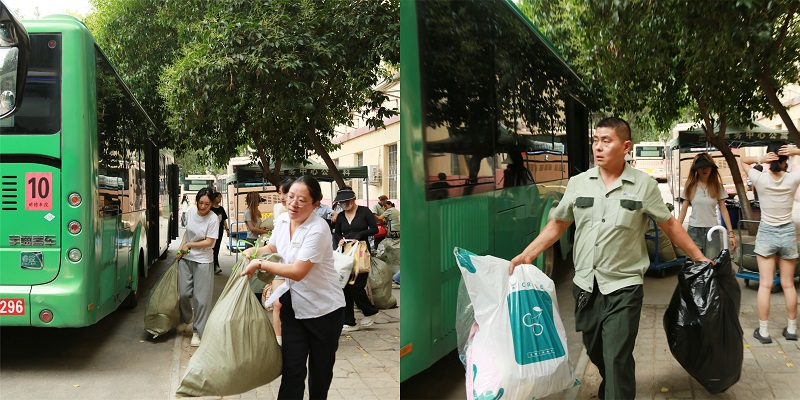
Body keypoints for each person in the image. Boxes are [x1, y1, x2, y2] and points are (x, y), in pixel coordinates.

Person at [509, 117, 709, 399]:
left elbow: (670, 225)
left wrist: (699, 258)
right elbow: (558, 223)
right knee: (596, 350)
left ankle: (616, 389)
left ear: (626, 146)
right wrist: (528, 254)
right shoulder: (579, 183)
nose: (598, 147)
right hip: (585, 285)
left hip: (624, 286)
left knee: (616, 356)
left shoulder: (643, 185)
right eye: (596, 140)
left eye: (606, 141)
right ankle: (614, 384)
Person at [241, 176, 345, 399]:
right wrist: (255, 252)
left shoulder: (318, 229)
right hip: (294, 306)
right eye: (290, 197)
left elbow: (298, 271)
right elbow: (273, 247)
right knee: (292, 370)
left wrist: (259, 264)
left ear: (315, 204)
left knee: (320, 372)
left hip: (324, 311)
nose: (293, 204)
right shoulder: (282, 221)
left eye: (301, 200)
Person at [742, 143, 800, 344]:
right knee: (788, 284)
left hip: (766, 233)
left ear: (769, 159)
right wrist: (796, 151)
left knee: (765, 284)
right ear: (785, 160)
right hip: (787, 233)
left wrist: (760, 159)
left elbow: (743, 161)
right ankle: (791, 330)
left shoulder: (760, 179)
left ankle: (764, 332)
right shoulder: (793, 179)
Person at [332, 187, 380, 333]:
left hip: (361, 252)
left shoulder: (365, 211)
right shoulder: (341, 216)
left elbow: (375, 229)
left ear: (353, 199)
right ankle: (349, 322)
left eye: (346, 201)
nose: (344, 204)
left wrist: (359, 235)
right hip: (346, 254)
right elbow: (337, 233)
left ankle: (370, 311)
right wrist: (340, 239)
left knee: (357, 286)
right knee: (345, 287)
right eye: (341, 203)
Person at [176, 187, 220, 347]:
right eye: (201, 203)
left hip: (203, 261)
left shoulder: (213, 218)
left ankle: (198, 332)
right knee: (183, 293)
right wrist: (181, 248)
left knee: (201, 299)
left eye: (207, 204)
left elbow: (210, 242)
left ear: (212, 204)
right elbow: (187, 233)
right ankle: (187, 317)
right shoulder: (190, 213)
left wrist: (189, 245)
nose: (203, 207)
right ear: (196, 201)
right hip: (186, 259)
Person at [677, 153, 737, 258]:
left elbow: (723, 209)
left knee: (712, 262)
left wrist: (731, 233)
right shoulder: (690, 186)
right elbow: (683, 210)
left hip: (712, 229)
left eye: (707, 166)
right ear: (696, 169)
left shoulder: (717, 186)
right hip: (694, 230)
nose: (704, 169)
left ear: (712, 168)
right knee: (695, 263)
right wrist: (676, 232)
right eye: (701, 167)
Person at [210, 190, 230, 275]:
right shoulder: (210, 208)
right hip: (211, 231)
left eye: (221, 198)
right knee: (212, 248)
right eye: (218, 197)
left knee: (217, 248)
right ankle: (214, 265)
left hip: (219, 230)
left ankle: (215, 265)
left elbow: (224, 220)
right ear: (214, 198)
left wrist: (227, 229)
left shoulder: (221, 208)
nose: (220, 199)